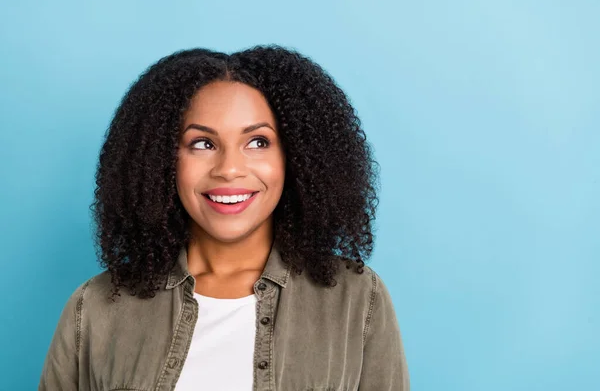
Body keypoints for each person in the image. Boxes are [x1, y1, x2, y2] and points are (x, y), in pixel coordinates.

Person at [39, 45, 410, 391]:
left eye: (258, 142)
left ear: (294, 156)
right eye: (202, 143)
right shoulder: (98, 306)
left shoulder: (357, 300)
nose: (229, 169)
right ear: (162, 160)